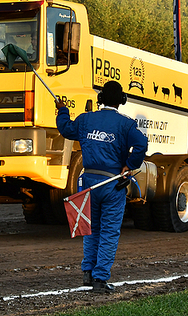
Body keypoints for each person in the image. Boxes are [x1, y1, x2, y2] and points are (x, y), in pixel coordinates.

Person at [55, 81, 148, 294]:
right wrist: (130, 165)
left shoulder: (85, 119)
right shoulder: (126, 124)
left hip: (88, 183)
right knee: (109, 231)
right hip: (112, 183)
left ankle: (88, 272)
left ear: (100, 99)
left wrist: (62, 110)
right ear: (121, 101)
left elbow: (66, 129)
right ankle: (100, 278)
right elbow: (142, 144)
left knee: (91, 228)